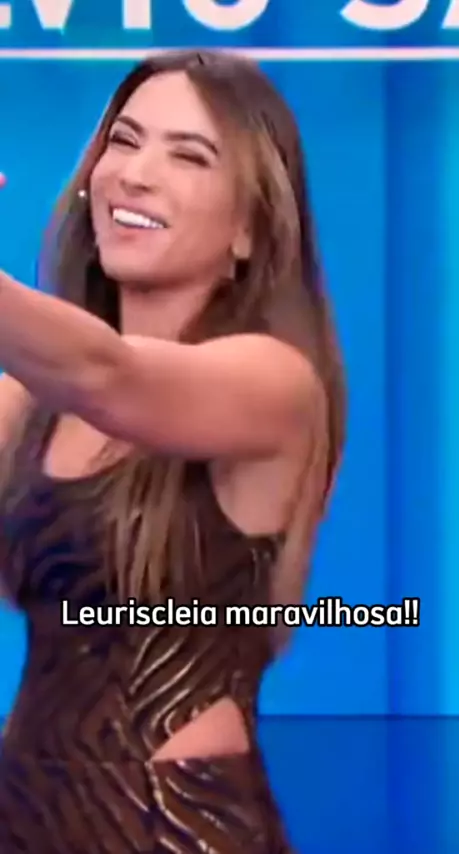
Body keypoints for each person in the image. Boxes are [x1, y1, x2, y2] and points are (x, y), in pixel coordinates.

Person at [0, 49, 345, 852]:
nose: (135, 174)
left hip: (175, 826)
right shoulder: (24, 402)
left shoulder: (276, 384)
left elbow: (107, 374)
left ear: (250, 229)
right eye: (123, 141)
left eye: (189, 155)